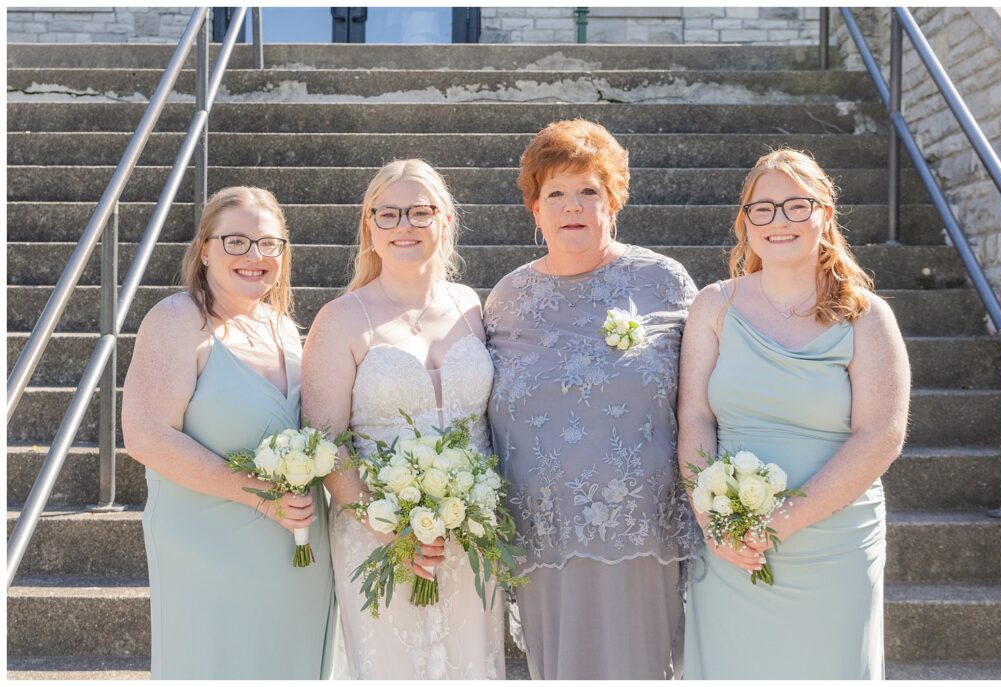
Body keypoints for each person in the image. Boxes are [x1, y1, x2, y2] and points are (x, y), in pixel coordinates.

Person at [679, 148, 911, 679]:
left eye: (795, 206)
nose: (778, 221)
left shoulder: (867, 316)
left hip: (834, 541)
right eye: (762, 208)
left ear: (824, 214)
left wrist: (781, 522)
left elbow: (881, 435)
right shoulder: (714, 306)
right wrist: (711, 519)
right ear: (745, 222)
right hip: (732, 541)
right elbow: (695, 417)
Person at [484, 119, 702, 679]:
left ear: (614, 202)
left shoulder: (663, 281)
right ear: (536, 210)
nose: (572, 206)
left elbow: (704, 395)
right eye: (555, 192)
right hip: (542, 533)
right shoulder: (507, 298)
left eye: (589, 191)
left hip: (642, 530)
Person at [301, 159, 505, 679]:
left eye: (419, 212)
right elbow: (326, 443)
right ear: (368, 226)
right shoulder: (342, 319)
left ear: (446, 221)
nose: (403, 226)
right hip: (377, 539)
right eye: (387, 214)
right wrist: (387, 527)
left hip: (470, 536)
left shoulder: (472, 307)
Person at [121, 186, 335, 679]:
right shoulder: (179, 320)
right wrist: (263, 496)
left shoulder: (284, 327)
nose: (254, 257)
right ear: (205, 249)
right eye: (235, 242)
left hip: (298, 551)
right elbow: (145, 435)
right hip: (209, 549)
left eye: (269, 244)